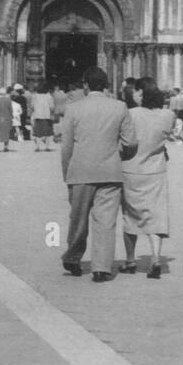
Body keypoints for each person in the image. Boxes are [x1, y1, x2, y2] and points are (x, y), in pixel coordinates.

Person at [59, 66, 136, 282]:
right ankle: (101, 267)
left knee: (78, 218)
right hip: (110, 172)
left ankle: (73, 257)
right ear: (107, 84)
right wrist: (118, 155)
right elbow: (131, 142)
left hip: (80, 170)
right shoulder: (120, 107)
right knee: (106, 220)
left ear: (85, 85)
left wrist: (67, 173)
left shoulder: (73, 108)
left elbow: (66, 147)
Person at [119, 79, 175, 278]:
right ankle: (156, 259)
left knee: (130, 216)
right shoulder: (169, 115)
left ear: (141, 92)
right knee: (156, 216)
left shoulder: (130, 114)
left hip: (130, 170)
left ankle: (130, 260)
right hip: (156, 171)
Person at [30, 84, 55, 152]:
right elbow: (52, 107)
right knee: (47, 132)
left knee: (37, 132)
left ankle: (37, 147)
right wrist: (52, 113)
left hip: (37, 115)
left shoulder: (35, 96)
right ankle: (47, 147)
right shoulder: (49, 96)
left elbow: (32, 106)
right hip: (47, 116)